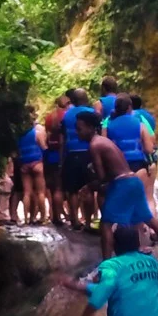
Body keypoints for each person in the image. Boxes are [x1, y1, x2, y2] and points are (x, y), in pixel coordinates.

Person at [73, 110, 158, 263]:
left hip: (123, 184)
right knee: (148, 218)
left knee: (106, 224)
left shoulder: (94, 145)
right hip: (133, 181)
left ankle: (106, 266)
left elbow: (102, 177)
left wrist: (88, 187)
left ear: (91, 128)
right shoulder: (102, 141)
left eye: (80, 128)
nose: (77, 132)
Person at [60, 87, 97, 231]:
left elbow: (63, 139)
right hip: (89, 153)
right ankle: (88, 222)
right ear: (85, 98)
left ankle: (75, 220)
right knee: (89, 189)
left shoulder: (67, 115)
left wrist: (61, 160)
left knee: (72, 189)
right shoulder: (92, 113)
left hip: (71, 154)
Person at [14, 108, 47, 224]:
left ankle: (27, 219)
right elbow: (44, 148)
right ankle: (43, 218)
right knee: (41, 193)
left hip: (25, 165)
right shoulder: (37, 134)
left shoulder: (19, 136)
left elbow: (18, 152)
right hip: (37, 163)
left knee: (27, 192)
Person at [127, 92, 158, 207]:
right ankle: (151, 220)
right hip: (152, 154)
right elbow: (153, 136)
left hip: (140, 156)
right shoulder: (148, 116)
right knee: (149, 194)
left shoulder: (133, 116)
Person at [43, 94, 69, 226]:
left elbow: (46, 136)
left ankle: (53, 214)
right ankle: (59, 217)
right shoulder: (66, 116)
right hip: (60, 154)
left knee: (51, 187)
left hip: (49, 154)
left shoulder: (49, 117)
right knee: (59, 187)